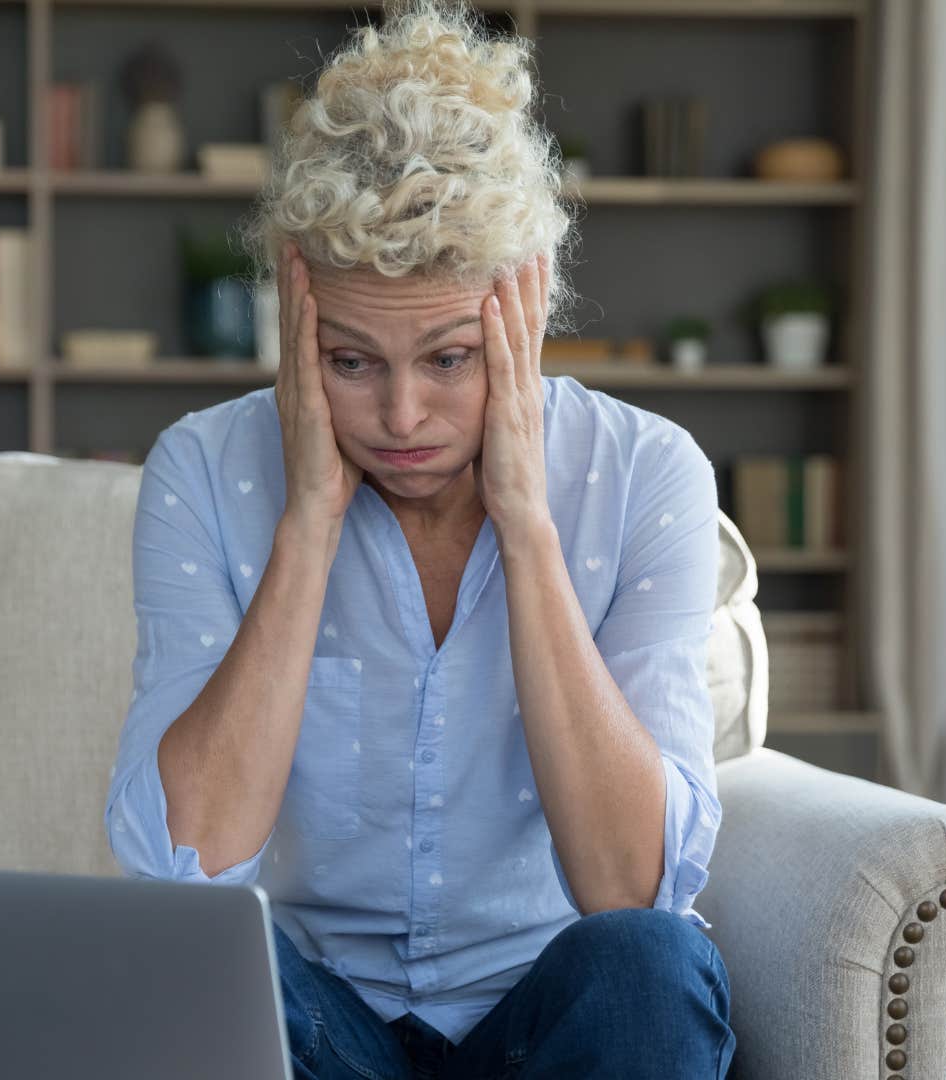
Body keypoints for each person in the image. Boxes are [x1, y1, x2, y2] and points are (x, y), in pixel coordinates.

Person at [104, 1, 735, 1075]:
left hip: (549, 1020)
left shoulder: (642, 475)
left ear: (525, 314)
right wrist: (308, 524)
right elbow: (187, 870)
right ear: (298, 318)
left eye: (449, 359)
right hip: (325, 1032)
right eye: (352, 362)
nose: (401, 418)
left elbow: (630, 887)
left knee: (650, 965)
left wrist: (528, 528)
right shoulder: (205, 475)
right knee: (200, 959)